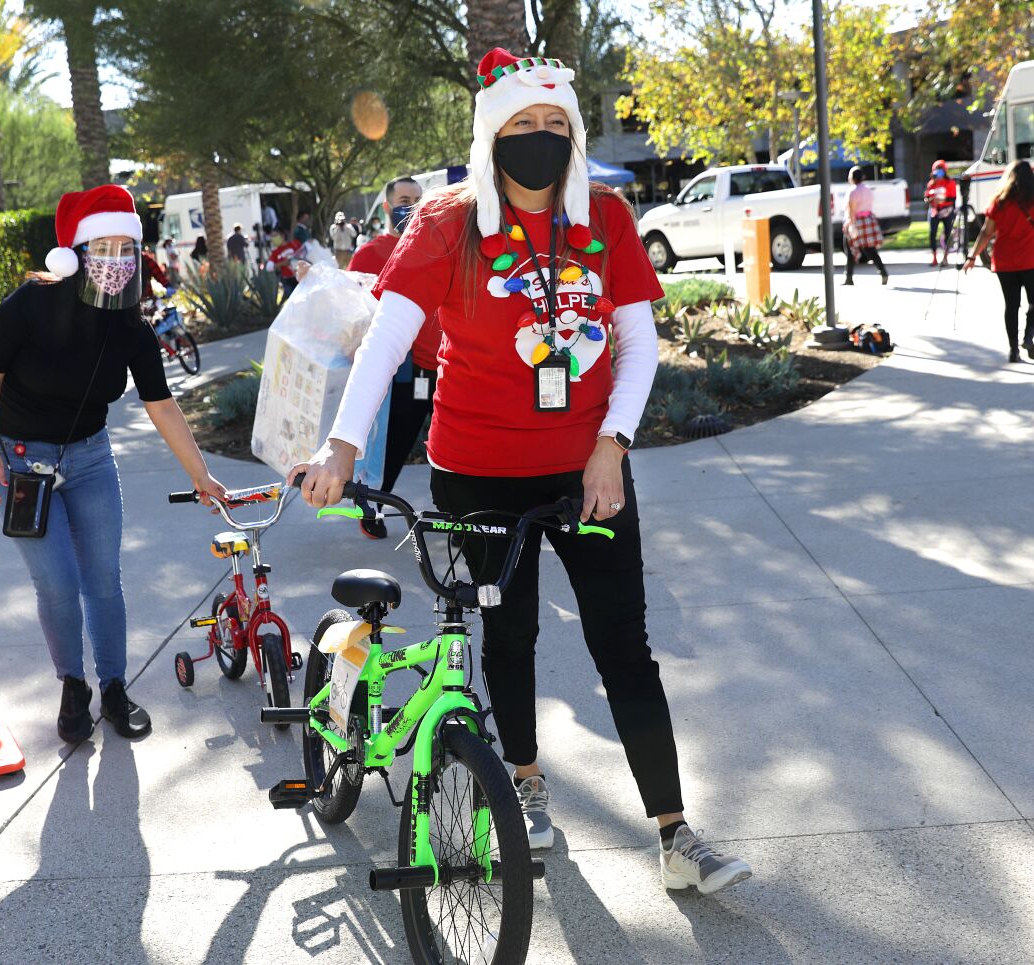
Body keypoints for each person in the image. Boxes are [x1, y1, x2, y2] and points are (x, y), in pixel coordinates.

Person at [290, 47, 753, 896]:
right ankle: (526, 783)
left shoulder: (605, 219)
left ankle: (676, 835)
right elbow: (387, 340)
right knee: (509, 635)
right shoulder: (444, 222)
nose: (540, 139)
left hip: (587, 473)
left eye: (554, 125)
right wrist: (342, 446)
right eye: (521, 126)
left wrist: (611, 442)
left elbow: (639, 343)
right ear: (489, 136)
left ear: (572, 136)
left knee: (626, 647)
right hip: (476, 475)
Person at [0, 185, 228, 745]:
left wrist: (200, 474)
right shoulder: (30, 305)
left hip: (90, 459)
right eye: (102, 245)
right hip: (22, 461)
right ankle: (72, 685)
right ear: (77, 253)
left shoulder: (132, 326)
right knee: (58, 584)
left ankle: (113, 688)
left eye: (126, 247)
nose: (115, 258)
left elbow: (161, 404)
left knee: (103, 582)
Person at [346, 175, 436, 540]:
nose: (411, 206)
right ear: (386, 207)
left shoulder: (436, 243)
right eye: (403, 199)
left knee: (455, 447)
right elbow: (349, 305)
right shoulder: (369, 254)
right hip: (405, 370)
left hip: (449, 364)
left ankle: (464, 518)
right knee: (395, 444)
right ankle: (371, 506)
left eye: (417, 199)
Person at [964, 160, 1034, 363]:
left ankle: (1013, 349)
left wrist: (973, 256)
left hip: (1005, 261)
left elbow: (986, 232)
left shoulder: (999, 201)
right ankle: (1028, 336)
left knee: (1011, 305)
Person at [843, 166, 888, 286]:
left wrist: (851, 225)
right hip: (868, 220)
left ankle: (849, 277)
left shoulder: (852, 192)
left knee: (850, 249)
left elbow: (851, 210)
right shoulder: (868, 190)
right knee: (870, 249)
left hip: (857, 221)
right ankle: (883, 271)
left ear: (852, 178)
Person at [925, 159, 958, 266]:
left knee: (948, 233)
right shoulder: (931, 184)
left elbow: (953, 199)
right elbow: (926, 197)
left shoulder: (950, 183)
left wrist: (943, 201)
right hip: (934, 210)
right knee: (932, 233)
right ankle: (934, 257)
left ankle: (945, 257)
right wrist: (929, 200)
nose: (939, 172)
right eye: (937, 170)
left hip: (947, 210)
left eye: (941, 170)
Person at [268, 230, 300, 301]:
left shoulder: (294, 243)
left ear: (282, 236)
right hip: (288, 281)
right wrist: (282, 264)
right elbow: (269, 267)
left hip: (301, 278)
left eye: (275, 235)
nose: (273, 238)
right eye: (272, 237)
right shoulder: (275, 252)